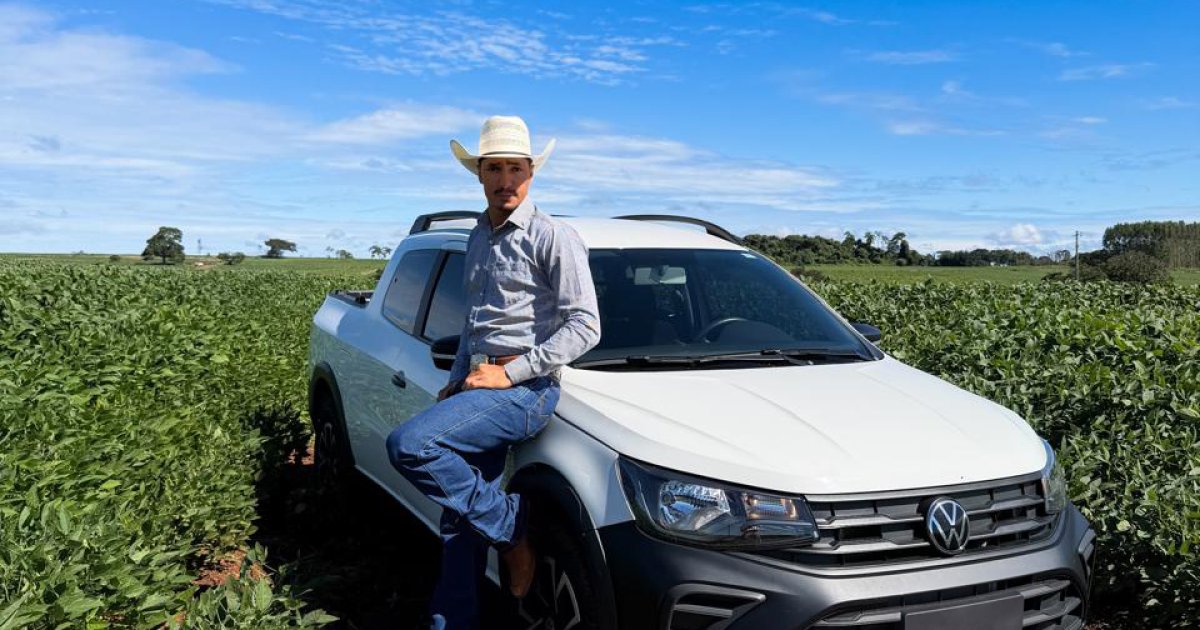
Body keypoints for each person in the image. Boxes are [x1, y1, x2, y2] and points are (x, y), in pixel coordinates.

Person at [385, 115, 601, 630]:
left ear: (532, 173)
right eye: (495, 168)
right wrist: (458, 377)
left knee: (410, 445)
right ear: (479, 174)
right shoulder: (478, 236)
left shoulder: (553, 237)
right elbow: (473, 320)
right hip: (479, 387)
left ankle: (510, 527)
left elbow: (585, 326)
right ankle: (452, 621)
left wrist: (510, 374)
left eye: (516, 168)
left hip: (525, 391)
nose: (506, 180)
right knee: (458, 523)